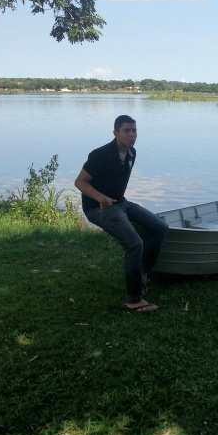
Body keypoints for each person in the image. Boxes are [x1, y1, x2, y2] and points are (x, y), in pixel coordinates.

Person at [75, 115, 169, 312]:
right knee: (134, 243)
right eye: (127, 131)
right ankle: (134, 301)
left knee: (160, 227)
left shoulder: (132, 153)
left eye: (134, 130)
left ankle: (144, 272)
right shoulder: (100, 155)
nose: (132, 135)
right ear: (116, 133)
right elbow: (80, 182)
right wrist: (101, 198)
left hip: (121, 203)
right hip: (98, 208)